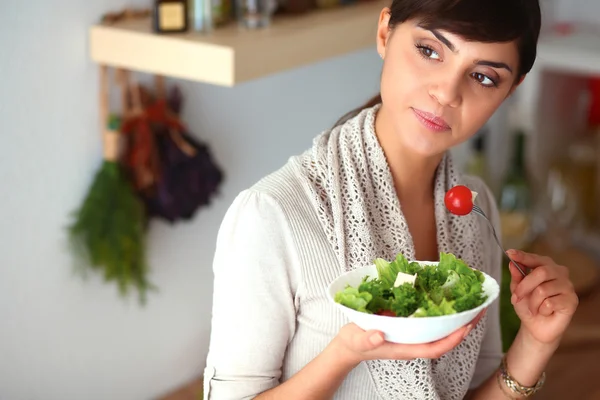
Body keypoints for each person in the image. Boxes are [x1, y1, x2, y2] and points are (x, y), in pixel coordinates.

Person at [203, 0, 579, 398]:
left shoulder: (473, 207)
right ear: (385, 32)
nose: (446, 92)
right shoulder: (271, 214)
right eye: (430, 50)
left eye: (483, 77)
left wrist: (537, 341)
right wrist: (345, 354)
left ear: (510, 90)